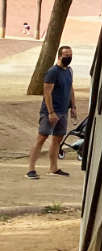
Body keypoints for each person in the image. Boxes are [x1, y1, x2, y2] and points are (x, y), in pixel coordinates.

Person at [27, 45, 78, 179]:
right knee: (41, 138)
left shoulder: (69, 71)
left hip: (63, 111)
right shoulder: (53, 72)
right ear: (60, 56)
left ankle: (53, 168)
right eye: (66, 54)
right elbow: (47, 92)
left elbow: (70, 88)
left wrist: (73, 106)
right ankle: (30, 169)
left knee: (57, 139)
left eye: (70, 54)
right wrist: (51, 112)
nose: (69, 57)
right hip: (50, 112)